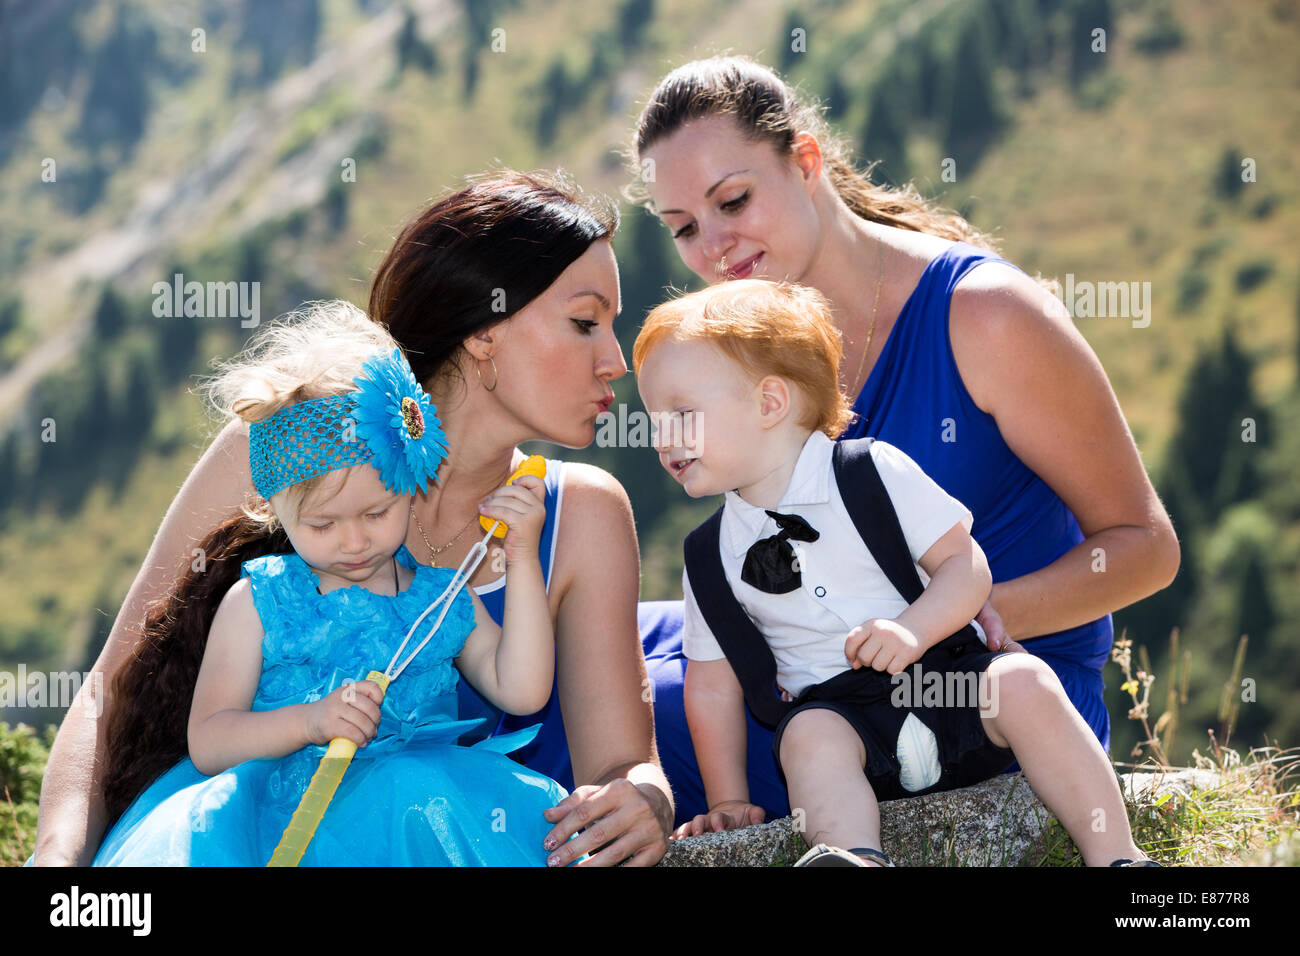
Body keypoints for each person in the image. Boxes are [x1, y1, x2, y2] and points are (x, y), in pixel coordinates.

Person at [35, 170, 672, 867]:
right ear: (487, 333)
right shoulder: (284, 442)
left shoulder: (581, 511)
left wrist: (644, 802)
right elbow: (110, 689)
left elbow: (621, 762)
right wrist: (59, 863)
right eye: (585, 323)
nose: (616, 362)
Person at [626, 55, 1181, 825]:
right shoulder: (747, 350)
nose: (714, 247)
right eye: (684, 228)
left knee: (638, 698)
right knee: (609, 637)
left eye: (734, 200)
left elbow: (1146, 546)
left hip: (986, 699)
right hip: (838, 686)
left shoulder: (984, 315)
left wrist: (963, 617)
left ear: (807, 161)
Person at [634, 279, 1155, 867]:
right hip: (842, 719)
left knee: (1024, 682)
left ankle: (1116, 855)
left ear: (770, 403)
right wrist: (729, 798)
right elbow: (711, 683)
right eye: (654, 421)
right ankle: (851, 854)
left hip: (942, 677)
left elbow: (964, 563)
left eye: (680, 414)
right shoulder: (709, 552)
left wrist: (913, 629)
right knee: (807, 741)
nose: (661, 439)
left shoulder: (872, 470)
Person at [95, 302, 567, 865]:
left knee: (415, 793)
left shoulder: (440, 600)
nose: (353, 542)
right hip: (273, 819)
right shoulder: (262, 602)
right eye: (322, 524)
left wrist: (520, 557)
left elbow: (524, 690)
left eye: (376, 513)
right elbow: (210, 741)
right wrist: (311, 721)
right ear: (275, 513)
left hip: (415, 815)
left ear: (410, 486)